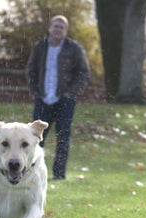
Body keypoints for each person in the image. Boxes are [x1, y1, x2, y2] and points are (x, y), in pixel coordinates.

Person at [26, 15, 90, 180]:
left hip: (64, 100)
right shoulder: (40, 47)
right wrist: (35, 91)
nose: (57, 29)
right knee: (36, 138)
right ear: (50, 28)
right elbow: (31, 70)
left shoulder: (74, 48)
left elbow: (83, 72)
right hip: (43, 99)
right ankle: (32, 171)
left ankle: (59, 174)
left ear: (65, 31)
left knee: (63, 138)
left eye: (61, 27)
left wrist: (71, 93)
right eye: (55, 26)